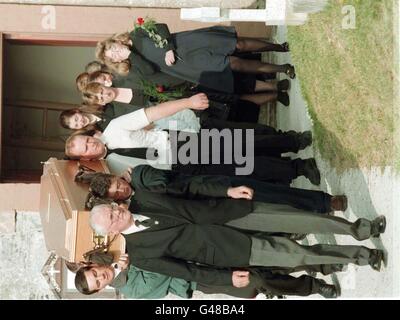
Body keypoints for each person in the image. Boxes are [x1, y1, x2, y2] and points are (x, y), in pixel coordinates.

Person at [89, 200, 385, 290]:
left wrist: (225, 190)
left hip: (231, 214)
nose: (118, 212)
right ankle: (363, 255)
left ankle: (360, 229)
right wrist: (225, 277)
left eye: (113, 208)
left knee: (300, 220)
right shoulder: (139, 255)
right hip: (229, 250)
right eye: (112, 217)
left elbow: (189, 189)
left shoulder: (144, 198)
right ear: (111, 231)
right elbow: (187, 272)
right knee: (300, 254)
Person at [64, 95, 321, 185]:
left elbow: (153, 113)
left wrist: (187, 102)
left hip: (179, 144)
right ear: (84, 158)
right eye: (85, 149)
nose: (91, 145)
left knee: (243, 143)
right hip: (178, 169)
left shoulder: (115, 127)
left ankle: (293, 142)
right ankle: (299, 168)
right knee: (243, 168)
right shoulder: (110, 170)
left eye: (86, 141)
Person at [95, 23, 295, 95]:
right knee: (236, 64)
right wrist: (130, 55)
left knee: (238, 45)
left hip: (189, 43)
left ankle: (278, 46)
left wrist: (168, 48)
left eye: (112, 47)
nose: (115, 52)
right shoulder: (131, 66)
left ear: (115, 41)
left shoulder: (137, 33)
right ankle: (281, 68)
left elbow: (162, 28)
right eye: (111, 55)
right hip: (188, 66)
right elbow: (150, 71)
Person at [76, 165, 346, 214]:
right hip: (213, 213)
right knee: (271, 212)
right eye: (116, 191)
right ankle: (316, 212)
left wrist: (226, 191)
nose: (121, 187)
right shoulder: (135, 205)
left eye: (117, 183)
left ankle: (325, 202)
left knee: (271, 194)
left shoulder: (144, 176)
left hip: (216, 189)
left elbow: (186, 185)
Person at [73, 256, 344, 299]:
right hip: (197, 280)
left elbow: (162, 259)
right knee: (256, 283)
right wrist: (134, 264)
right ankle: (313, 285)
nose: (102, 276)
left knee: (259, 261)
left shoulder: (123, 254)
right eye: (99, 282)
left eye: (96, 272)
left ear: (95, 264)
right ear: (101, 289)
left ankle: (318, 265)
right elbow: (160, 277)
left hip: (198, 256)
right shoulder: (129, 290)